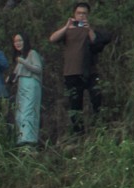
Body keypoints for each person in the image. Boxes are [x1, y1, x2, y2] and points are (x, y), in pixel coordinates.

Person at [50, 2, 107, 134]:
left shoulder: (91, 30)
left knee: (96, 99)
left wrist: (89, 29)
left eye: (84, 13)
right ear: (74, 14)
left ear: (88, 15)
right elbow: (52, 39)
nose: (81, 16)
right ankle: (78, 134)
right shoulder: (68, 30)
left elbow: (97, 43)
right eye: (79, 13)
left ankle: (99, 130)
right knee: (75, 105)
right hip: (71, 72)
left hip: (90, 72)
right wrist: (66, 26)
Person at [11, 34, 44, 145]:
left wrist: (24, 62)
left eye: (20, 40)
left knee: (28, 111)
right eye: (15, 41)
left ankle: (29, 140)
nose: (17, 43)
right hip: (22, 87)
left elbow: (38, 69)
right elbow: (15, 74)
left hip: (31, 85)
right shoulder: (21, 57)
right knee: (20, 113)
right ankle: (21, 139)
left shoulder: (32, 53)